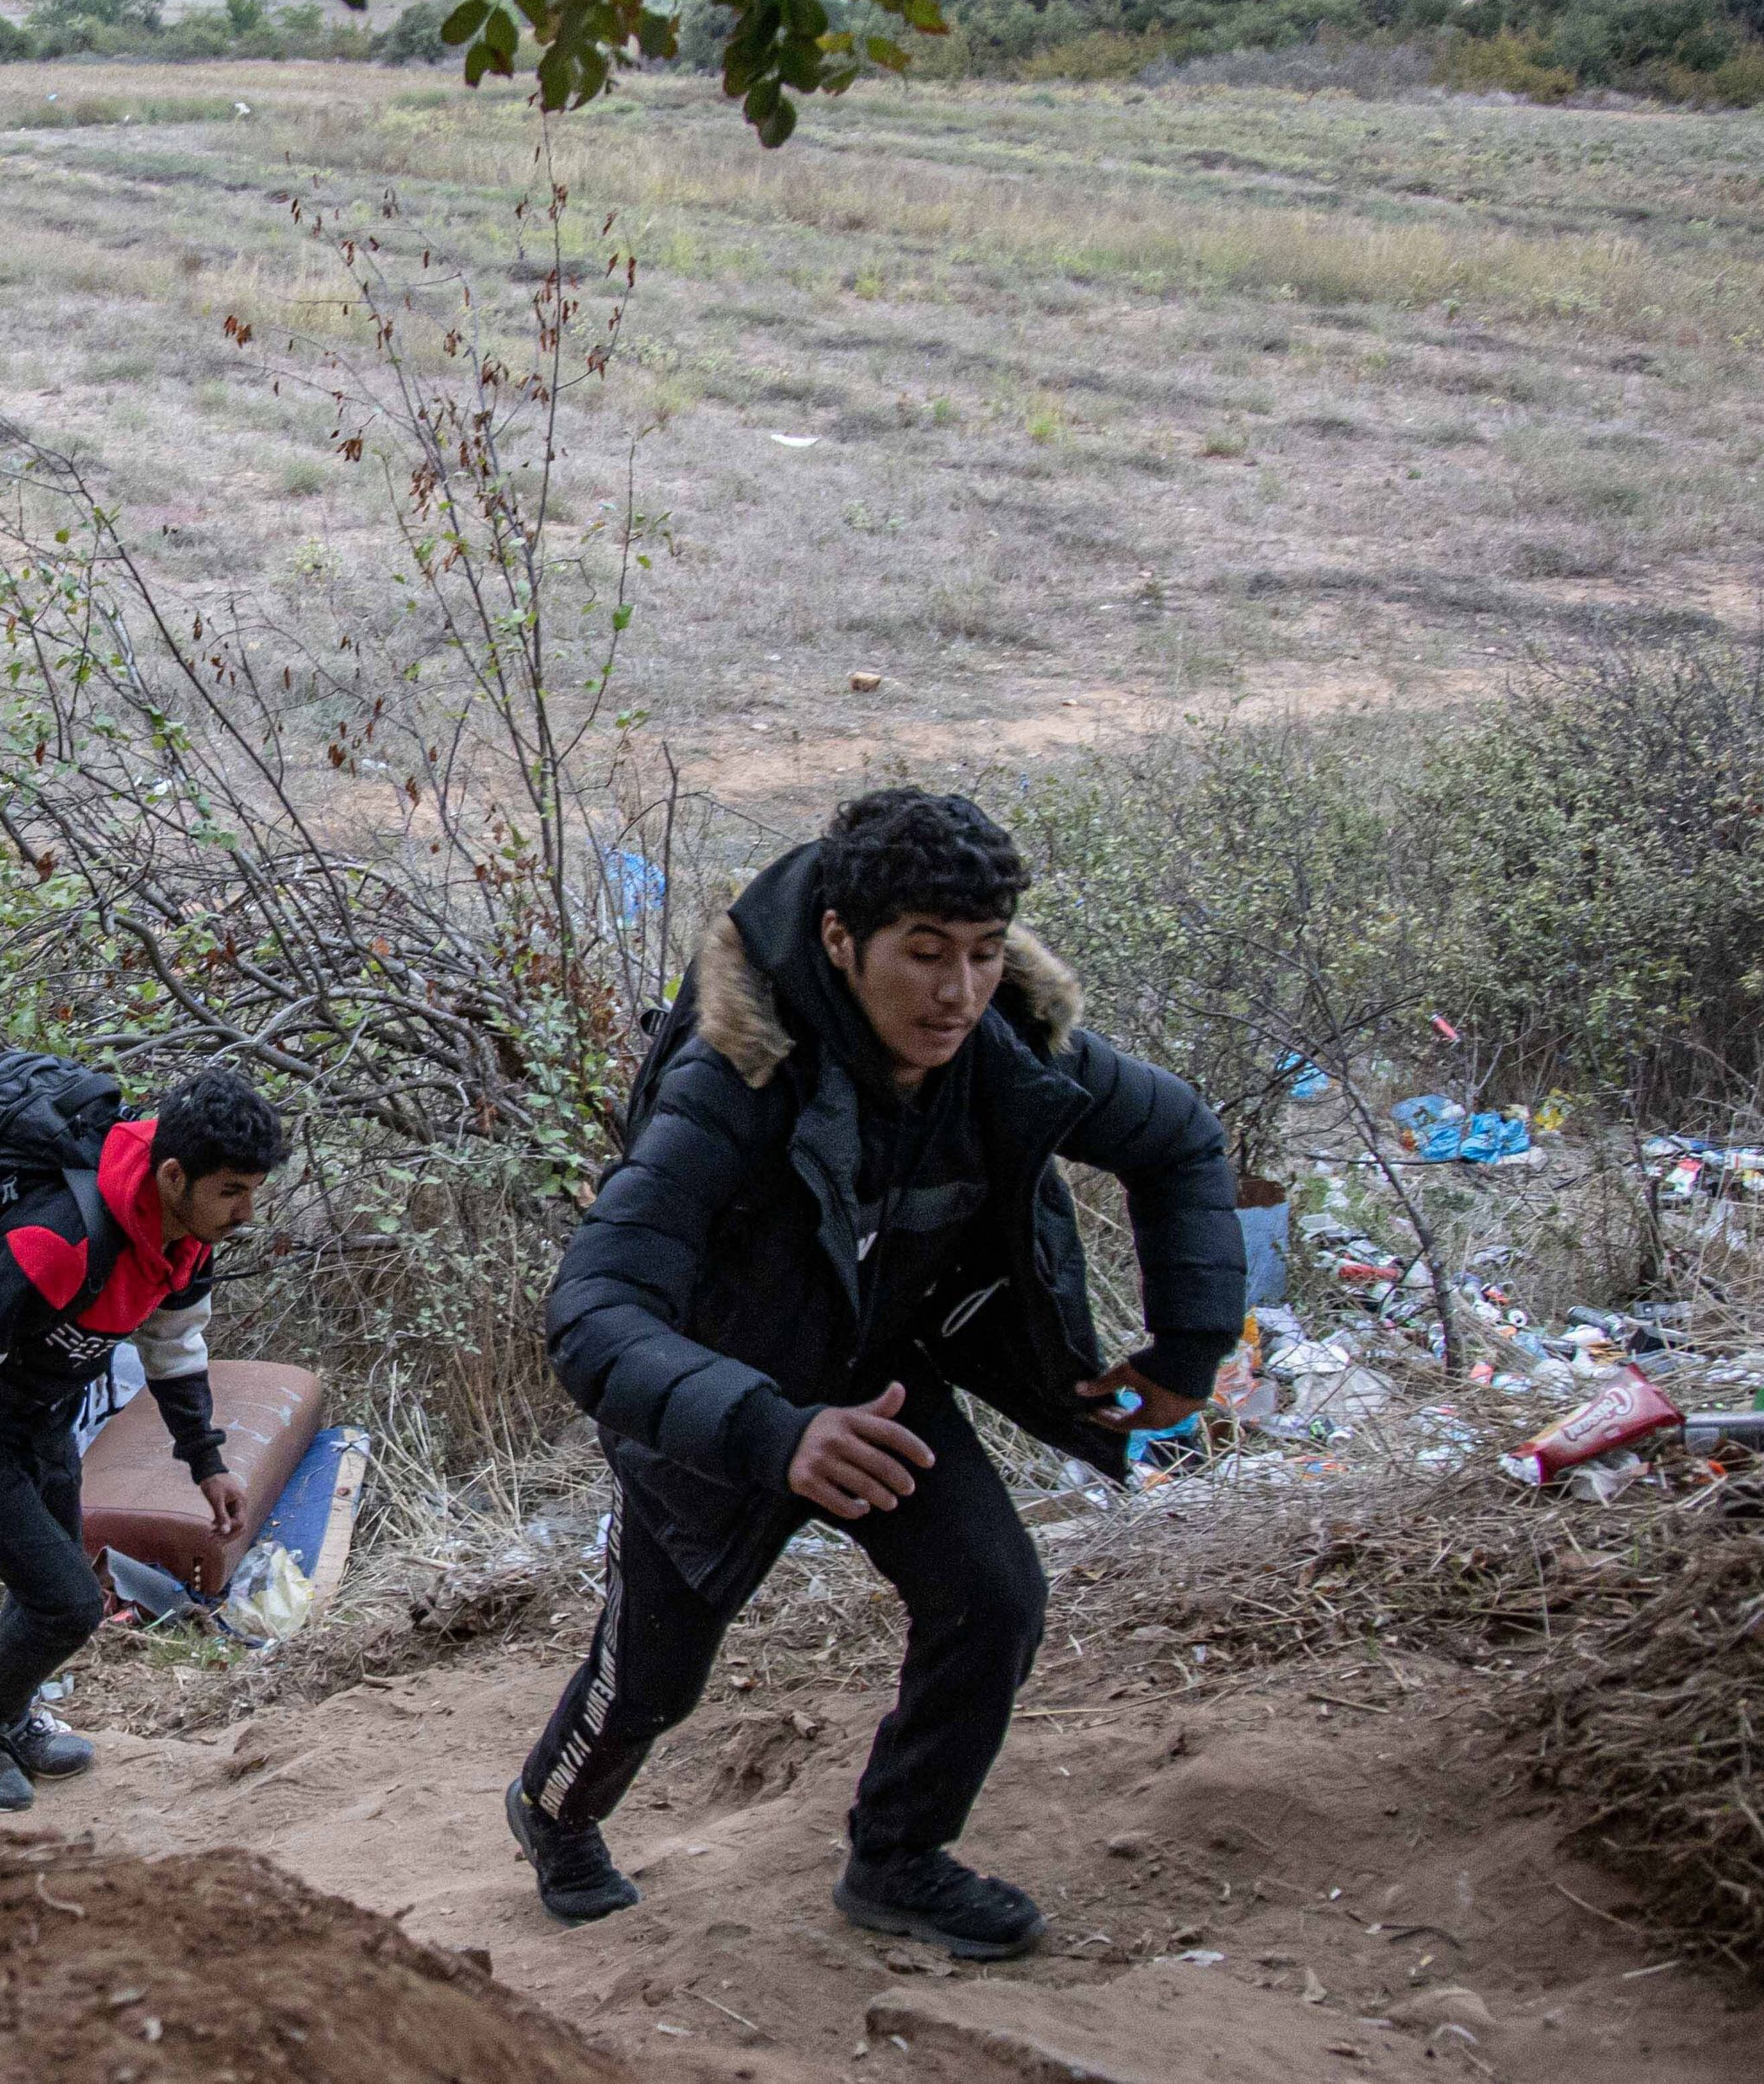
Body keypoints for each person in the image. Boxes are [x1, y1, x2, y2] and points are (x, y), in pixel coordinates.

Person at [507, 790, 1243, 1957]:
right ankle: (553, 1811)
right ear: (843, 939)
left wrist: (1189, 1343)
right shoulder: (733, 1076)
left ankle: (899, 1856)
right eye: (925, 953)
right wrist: (772, 1430)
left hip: (880, 1377)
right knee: (653, 1679)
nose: (957, 993)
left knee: (992, 1594)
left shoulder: (1002, 1042)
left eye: (985, 953)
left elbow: (1178, 1136)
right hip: (720, 1412)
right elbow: (593, 1312)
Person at [0, 1067, 288, 1814]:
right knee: (68, 1604)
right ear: (174, 1175)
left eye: (252, 1190)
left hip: (42, 1415)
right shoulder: (60, 1239)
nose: (246, 1211)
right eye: (232, 1190)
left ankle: (8, 1717)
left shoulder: (187, 1240)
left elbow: (176, 1346)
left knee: (54, 1579)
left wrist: (206, 1460)